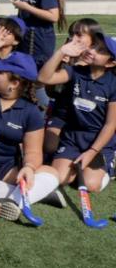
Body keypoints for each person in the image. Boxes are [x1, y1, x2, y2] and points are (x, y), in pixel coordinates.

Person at [0, 52, 59, 220]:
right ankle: (14, 198)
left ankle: (13, 202)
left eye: (0, 72)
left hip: (5, 169)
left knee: (50, 172)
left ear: (14, 83)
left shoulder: (31, 112)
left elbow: (33, 152)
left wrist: (29, 167)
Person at [38, 33, 116, 194]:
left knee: (90, 185)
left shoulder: (113, 85)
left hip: (99, 141)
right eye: (93, 46)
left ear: (110, 63)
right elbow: (44, 78)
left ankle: (110, 166)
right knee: (59, 179)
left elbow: (111, 124)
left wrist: (92, 152)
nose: (92, 51)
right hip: (73, 137)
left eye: (100, 51)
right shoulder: (75, 72)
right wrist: (61, 52)